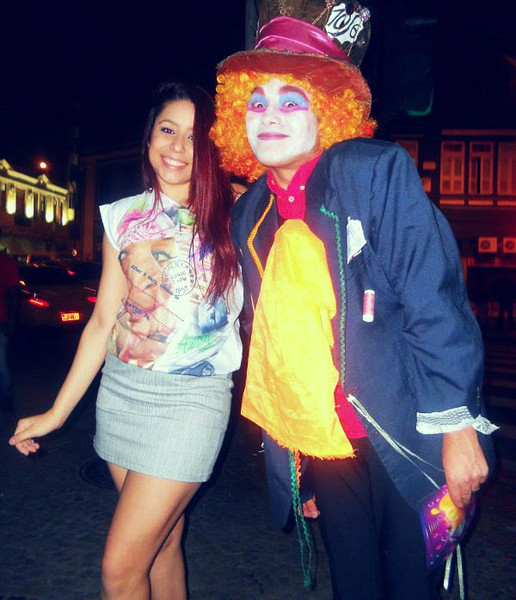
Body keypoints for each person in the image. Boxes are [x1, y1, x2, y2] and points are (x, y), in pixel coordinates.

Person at [211, 2, 497, 599]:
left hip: (404, 431)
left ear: (329, 110)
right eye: (256, 101)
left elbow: (433, 299)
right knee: (355, 586)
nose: (270, 115)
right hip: (326, 445)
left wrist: (458, 428)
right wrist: (296, 459)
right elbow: (275, 350)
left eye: (292, 100)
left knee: (412, 586)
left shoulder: (372, 172)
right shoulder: (250, 213)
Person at [9, 82, 243, 600]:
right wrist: (57, 413)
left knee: (119, 570)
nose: (178, 147)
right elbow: (101, 323)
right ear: (149, 136)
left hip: (193, 402)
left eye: (195, 136)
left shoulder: (239, 210)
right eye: (168, 130)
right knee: (164, 543)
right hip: (121, 396)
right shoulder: (122, 216)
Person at [0, 247, 19, 413]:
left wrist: (12, 321)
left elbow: (14, 295)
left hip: (1, 321)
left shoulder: (6, 262)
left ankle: (7, 402)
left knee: (2, 365)